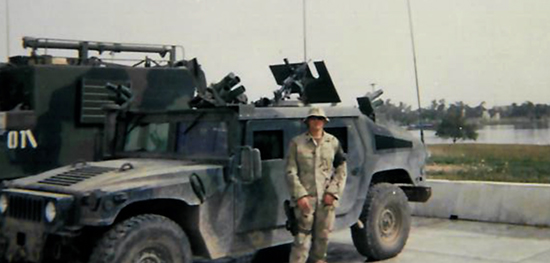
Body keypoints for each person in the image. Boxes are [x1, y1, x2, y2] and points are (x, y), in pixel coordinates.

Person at [285, 107, 347, 263]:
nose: (316, 121)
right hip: (305, 200)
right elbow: (290, 171)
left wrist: (333, 192)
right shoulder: (297, 143)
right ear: (307, 122)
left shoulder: (332, 142)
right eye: (313, 118)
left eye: (319, 119)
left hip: (326, 200)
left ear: (324, 122)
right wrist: (300, 195)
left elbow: (341, 168)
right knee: (301, 240)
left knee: (323, 238)